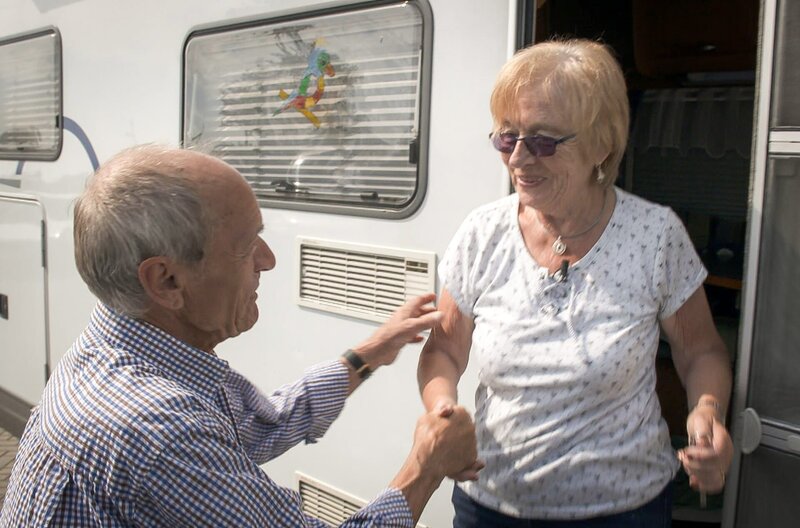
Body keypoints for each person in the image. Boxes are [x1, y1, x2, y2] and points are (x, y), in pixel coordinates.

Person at [0, 145, 482, 527]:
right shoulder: (158, 429)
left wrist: (369, 354)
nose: (268, 260)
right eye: (246, 245)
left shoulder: (116, 349)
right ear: (166, 281)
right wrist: (425, 466)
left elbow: (260, 425)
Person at [417, 39, 734, 527]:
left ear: (601, 145)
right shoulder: (482, 232)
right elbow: (444, 349)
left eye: (543, 140)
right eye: (507, 137)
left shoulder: (655, 235)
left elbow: (701, 351)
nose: (519, 158)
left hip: (625, 512)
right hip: (493, 505)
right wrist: (444, 412)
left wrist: (707, 411)